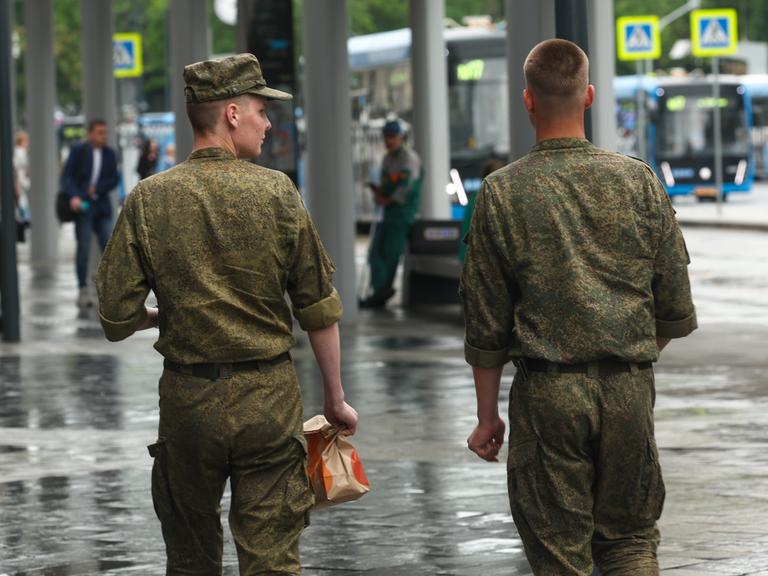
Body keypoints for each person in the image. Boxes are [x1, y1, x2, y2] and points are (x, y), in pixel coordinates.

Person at [95, 53, 358, 575]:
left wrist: (158, 316)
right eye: (262, 110)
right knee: (272, 557)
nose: (268, 123)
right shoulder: (277, 192)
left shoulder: (149, 199)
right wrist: (336, 399)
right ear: (232, 114)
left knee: (191, 556)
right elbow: (317, 306)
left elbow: (115, 315)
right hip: (269, 401)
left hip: (189, 401)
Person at [461, 39, 697, 575]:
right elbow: (675, 305)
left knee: (559, 551)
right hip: (628, 391)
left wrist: (486, 416)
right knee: (631, 542)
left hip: (548, 396)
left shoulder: (502, 192)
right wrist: (628, 356)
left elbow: (487, 319)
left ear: (528, 102)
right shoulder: (638, 180)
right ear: (588, 96)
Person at [360, 119, 422, 309]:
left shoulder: (408, 158)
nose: (389, 141)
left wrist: (389, 199)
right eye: (387, 137)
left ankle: (382, 292)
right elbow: (389, 183)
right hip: (388, 212)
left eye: (393, 137)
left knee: (390, 254)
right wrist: (378, 192)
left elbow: (408, 185)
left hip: (402, 213)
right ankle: (379, 290)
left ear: (401, 137)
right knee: (375, 253)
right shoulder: (388, 159)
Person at [61, 119, 119, 307]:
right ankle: (82, 288)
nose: (104, 136)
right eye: (100, 132)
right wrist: (75, 196)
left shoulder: (110, 154)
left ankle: (110, 288)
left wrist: (97, 189)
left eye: (105, 132)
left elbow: (113, 179)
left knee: (110, 247)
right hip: (83, 206)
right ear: (90, 134)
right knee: (84, 248)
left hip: (101, 206)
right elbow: (67, 176)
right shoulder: (79, 151)